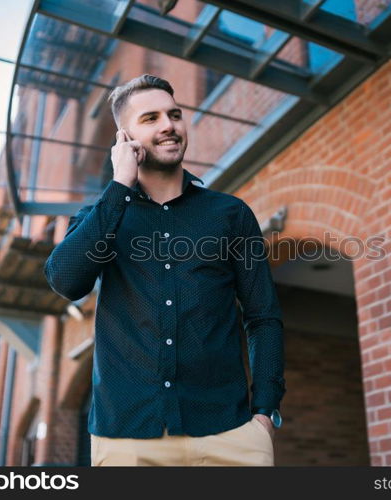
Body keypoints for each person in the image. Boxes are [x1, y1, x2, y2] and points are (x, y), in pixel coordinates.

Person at [44, 74, 286, 466]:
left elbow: (263, 317)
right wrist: (120, 184)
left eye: (174, 114)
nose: (168, 125)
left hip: (231, 435)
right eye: (151, 118)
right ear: (125, 138)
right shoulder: (100, 218)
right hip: (128, 441)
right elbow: (65, 280)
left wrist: (265, 410)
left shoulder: (230, 214)